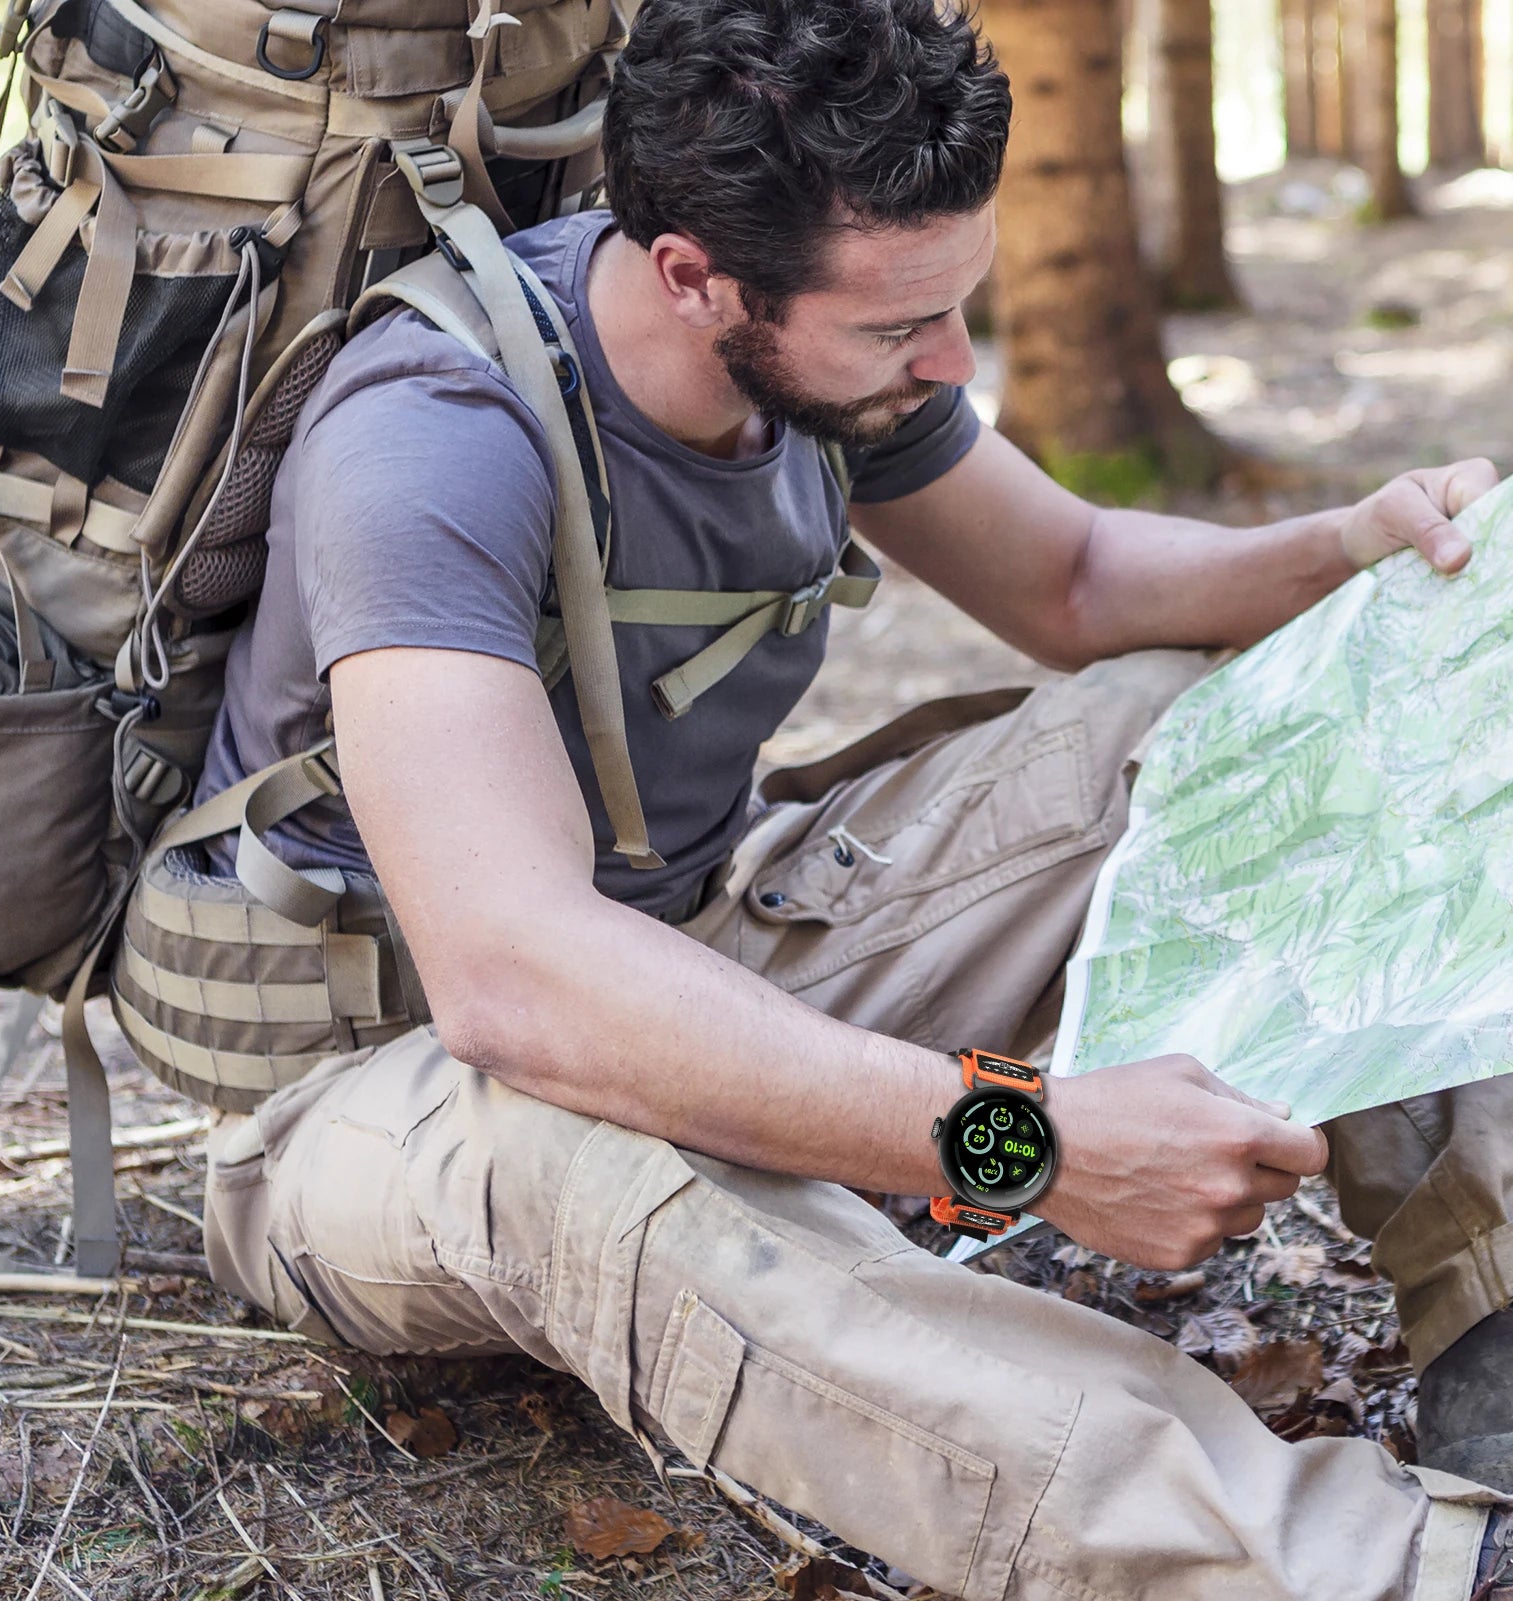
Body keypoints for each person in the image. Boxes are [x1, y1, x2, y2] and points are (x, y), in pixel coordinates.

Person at [194, 0, 1512, 1593]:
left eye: (959, 305)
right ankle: (1391, 1570)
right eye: (903, 329)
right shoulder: (434, 435)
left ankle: (1497, 1325)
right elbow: (513, 983)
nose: (952, 364)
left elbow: (1082, 578)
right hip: (391, 1094)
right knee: (599, 1160)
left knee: (1223, 728)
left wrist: (1344, 552)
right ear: (692, 278)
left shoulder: (825, 357)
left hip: (684, 951)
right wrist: (1021, 1142)